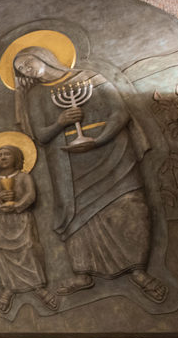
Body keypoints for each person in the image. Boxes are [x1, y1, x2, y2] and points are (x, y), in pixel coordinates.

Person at [12, 46, 168, 302]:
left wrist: (99, 138)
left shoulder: (89, 78)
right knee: (78, 214)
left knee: (131, 205)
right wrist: (60, 122)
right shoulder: (36, 96)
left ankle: (139, 271)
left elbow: (120, 112)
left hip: (113, 154)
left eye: (28, 62)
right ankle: (83, 272)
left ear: (44, 56)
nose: (27, 70)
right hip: (68, 162)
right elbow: (40, 134)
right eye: (22, 70)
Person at [0, 144, 59, 313]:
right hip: (0, 223)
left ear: (16, 157)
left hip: (21, 220)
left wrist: (17, 205)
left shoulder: (24, 177)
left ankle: (39, 288)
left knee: (28, 249)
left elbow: (31, 196)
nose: (2, 157)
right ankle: (8, 288)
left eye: (6, 154)